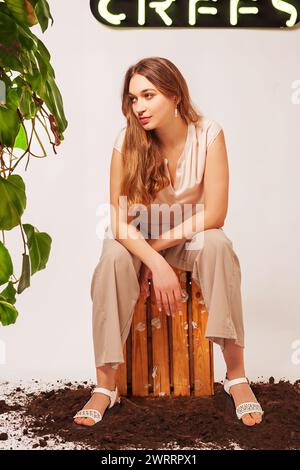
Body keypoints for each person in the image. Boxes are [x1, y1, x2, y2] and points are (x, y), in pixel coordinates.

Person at [73, 57, 264, 428]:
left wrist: (157, 255)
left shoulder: (209, 133)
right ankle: (105, 385)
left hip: (186, 236)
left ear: (175, 95)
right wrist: (152, 261)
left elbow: (215, 215)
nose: (139, 107)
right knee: (112, 256)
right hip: (138, 240)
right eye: (133, 99)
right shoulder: (127, 141)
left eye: (149, 95)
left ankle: (236, 375)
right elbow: (118, 221)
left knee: (218, 244)